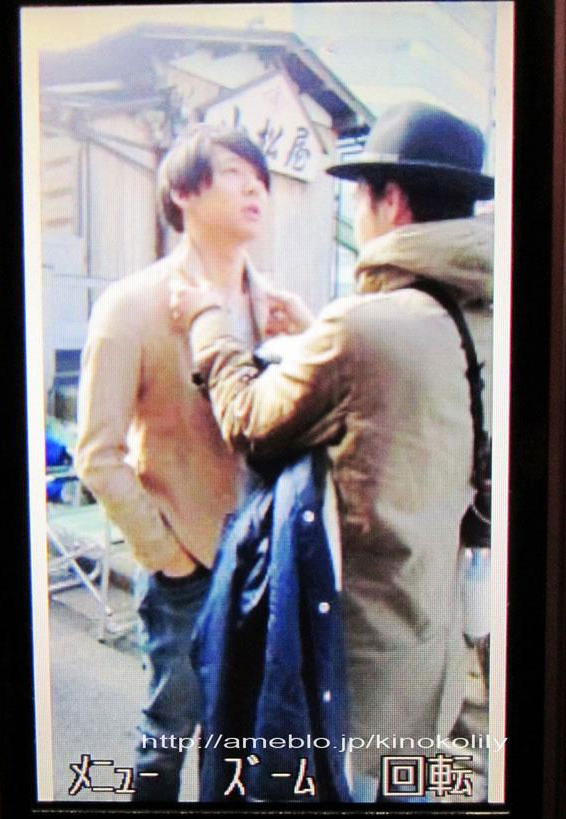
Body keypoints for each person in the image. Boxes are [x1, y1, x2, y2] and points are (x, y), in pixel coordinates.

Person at [170, 102, 494, 803]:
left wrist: (209, 325)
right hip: (429, 660)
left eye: (360, 195)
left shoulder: (363, 327)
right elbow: (403, 403)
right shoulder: (482, 318)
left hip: (351, 678)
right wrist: (317, 333)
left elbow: (251, 421)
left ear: (392, 200)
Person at [74, 124, 309, 801]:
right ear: (182, 192)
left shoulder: (278, 308)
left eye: (260, 177)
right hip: (188, 564)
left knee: (242, 738)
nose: (255, 188)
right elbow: (97, 454)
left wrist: (308, 334)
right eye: (234, 173)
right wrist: (167, 556)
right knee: (167, 735)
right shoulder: (132, 304)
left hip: (266, 561)